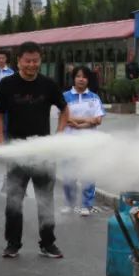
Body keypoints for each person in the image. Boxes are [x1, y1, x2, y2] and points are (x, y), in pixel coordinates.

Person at [0, 41, 71, 259]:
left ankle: (48, 243)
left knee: (45, 199)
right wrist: (1, 141)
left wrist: (58, 135)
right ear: (18, 61)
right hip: (17, 152)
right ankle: (12, 244)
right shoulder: (7, 85)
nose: (31, 65)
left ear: (40, 61)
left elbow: (65, 109)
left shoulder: (48, 85)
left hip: (43, 153)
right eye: (27, 61)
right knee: (14, 200)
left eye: (35, 61)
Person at [61, 65, 104, 216]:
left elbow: (98, 120)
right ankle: (70, 203)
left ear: (88, 80)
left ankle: (87, 205)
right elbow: (63, 118)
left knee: (88, 175)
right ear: (73, 78)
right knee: (68, 176)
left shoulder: (94, 97)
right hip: (68, 143)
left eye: (84, 77)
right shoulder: (65, 96)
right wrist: (87, 121)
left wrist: (79, 126)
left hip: (88, 144)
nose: (81, 79)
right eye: (78, 76)